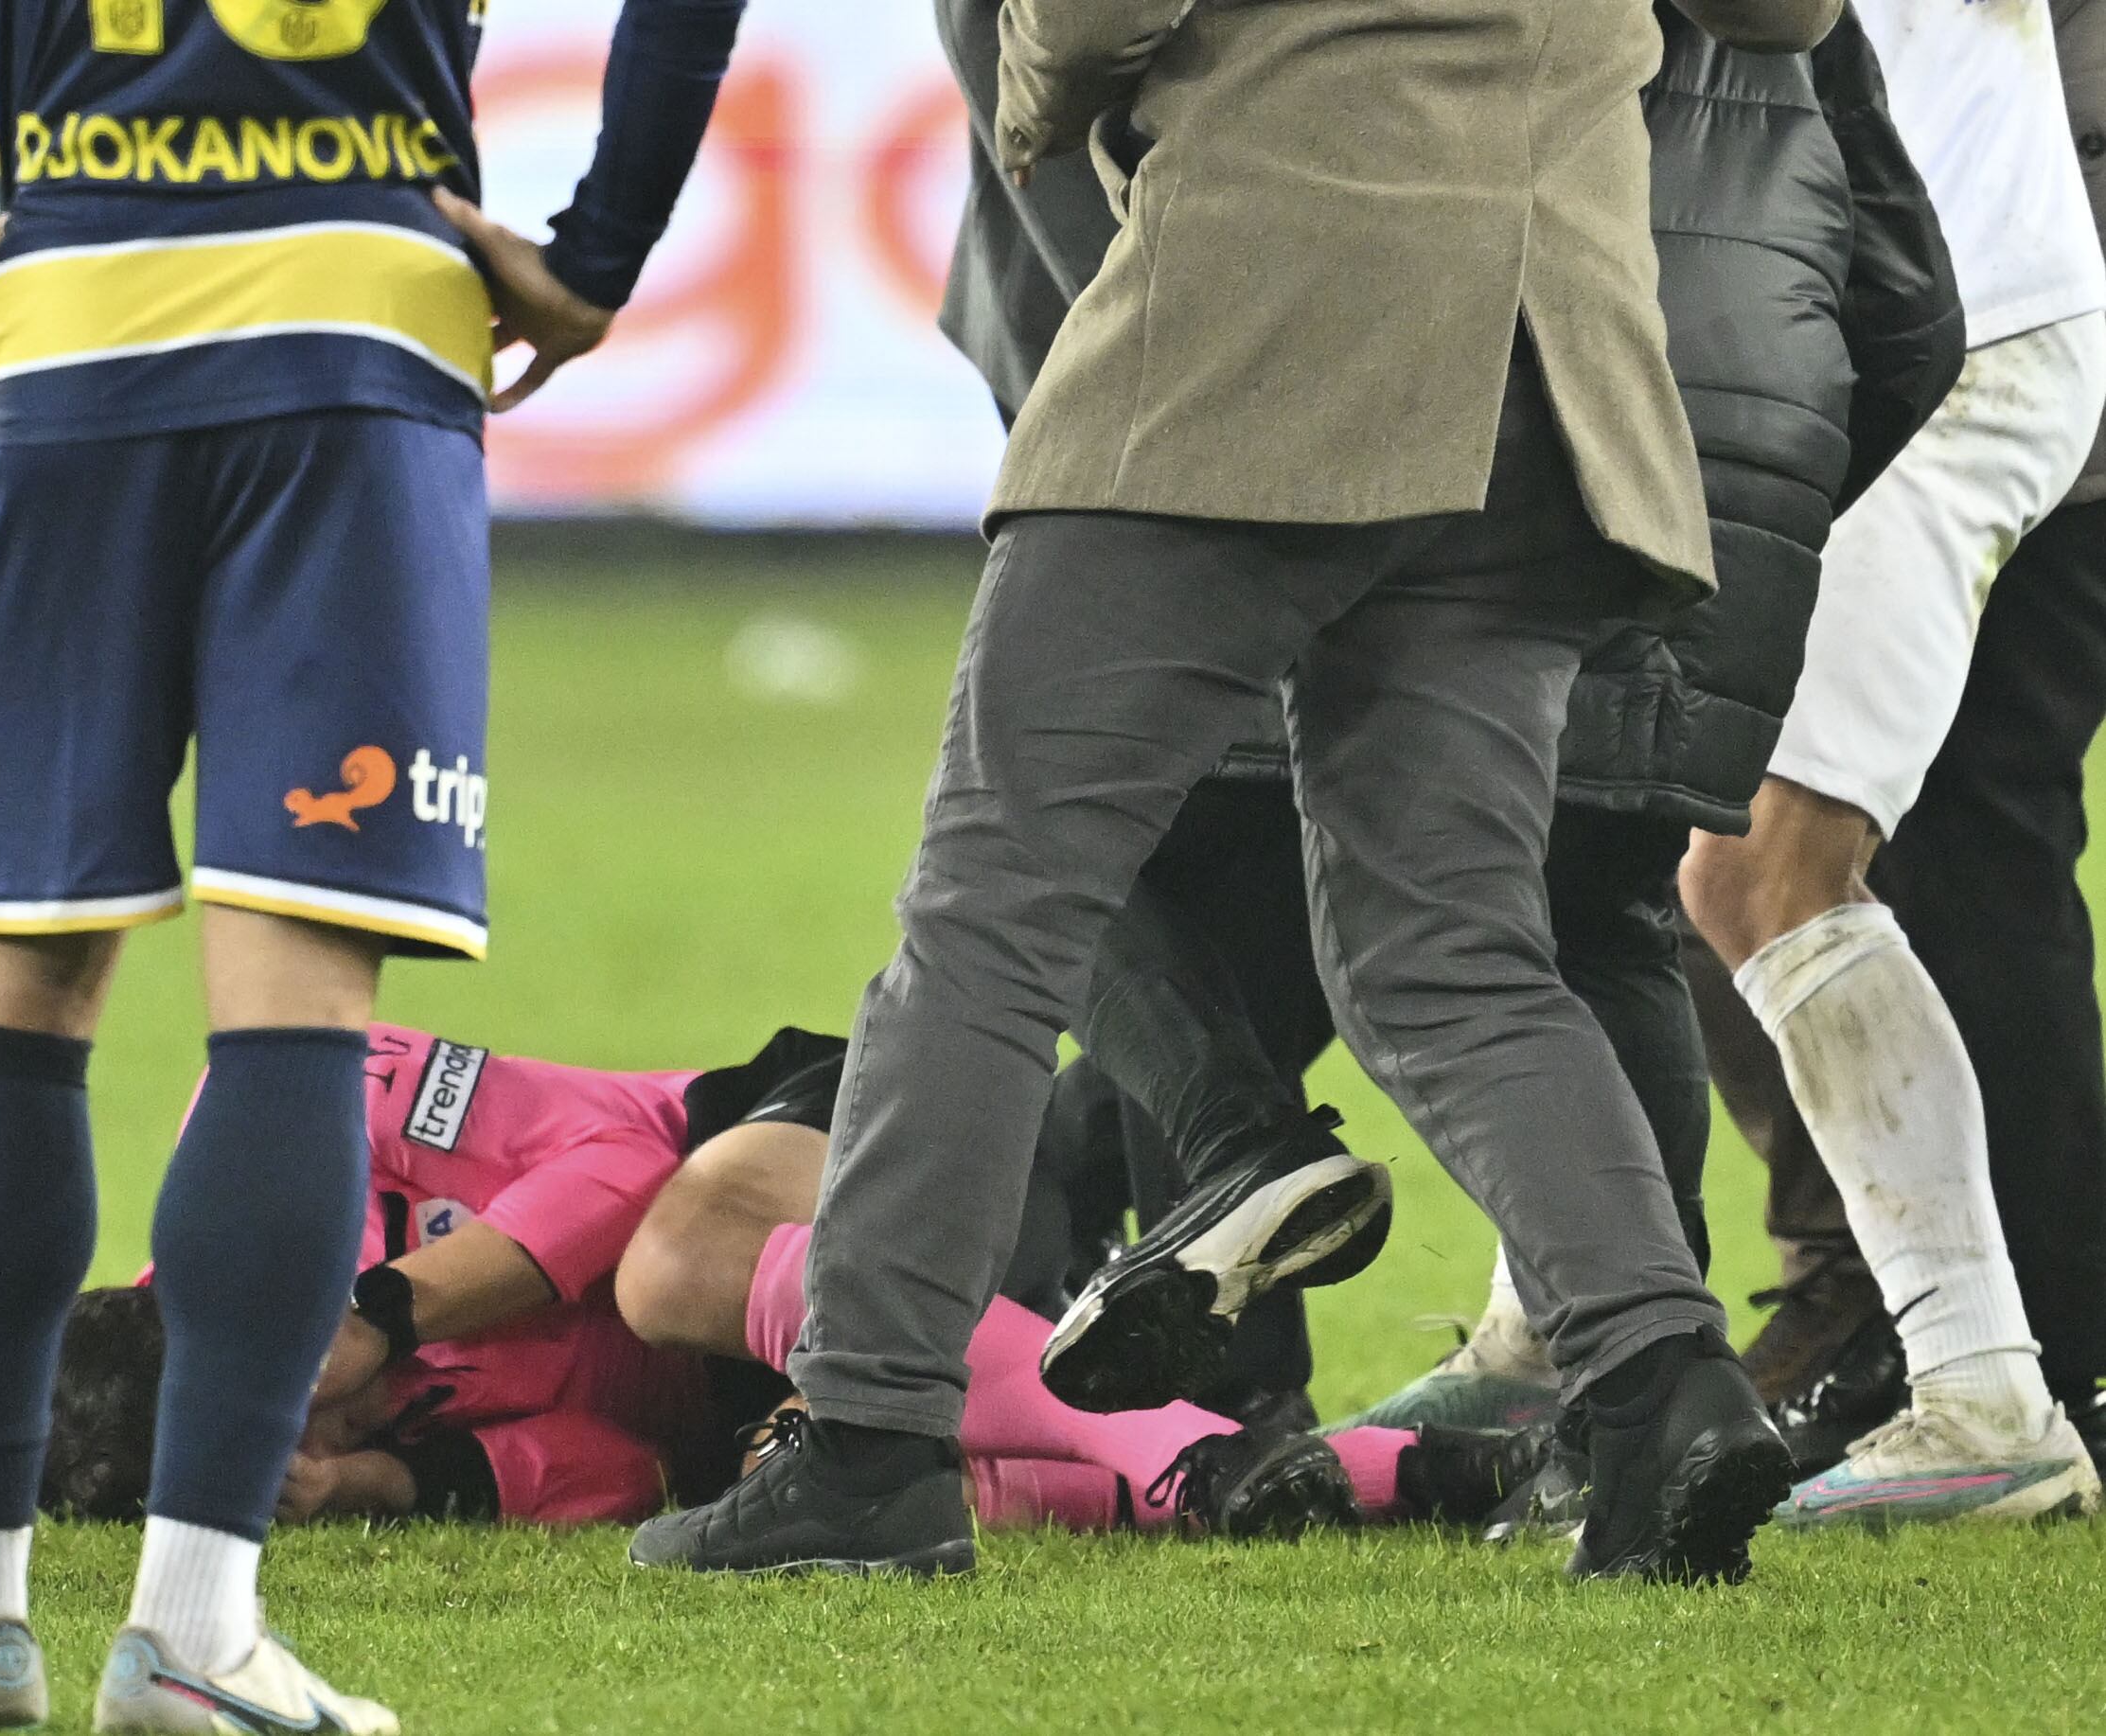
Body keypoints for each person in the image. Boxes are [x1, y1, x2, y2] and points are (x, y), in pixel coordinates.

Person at [633, 0, 1840, 1588]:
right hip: (1560, 365)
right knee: (1451, 951)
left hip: (1265, 316)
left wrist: (1040, 92)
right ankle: (1659, 1382)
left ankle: (864, 1441)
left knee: (996, 910)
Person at [0, 2, 750, 1729]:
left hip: (69, 324)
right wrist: (596, 254)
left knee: (10, 980)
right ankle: (191, 1632)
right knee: (295, 996)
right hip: (350, 335)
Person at [1339, 0, 1963, 1454]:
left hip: (1527, 456)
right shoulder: (1804, 36)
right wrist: (1771, 497)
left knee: (1442, 930)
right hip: (1741, 463)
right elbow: (1909, 306)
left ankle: (1634, 1363)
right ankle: (1619, 1363)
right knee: (1617, 908)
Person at [40, 1025, 1532, 1540]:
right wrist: (391, 1490)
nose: (305, 1453)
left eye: (277, 1432)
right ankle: (1464, 1472)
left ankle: (1182, 1438)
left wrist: (385, 1315)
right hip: (773, 1368)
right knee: (957, 1480)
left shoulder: (270, 1119)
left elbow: (615, 1161)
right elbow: (623, 1470)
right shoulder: (329, 1459)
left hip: (778, 1142)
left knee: (667, 1261)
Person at [1675, 0, 2106, 1528]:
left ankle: (1989, 1388)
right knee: (1672, 833)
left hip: (1957, 324)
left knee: (1766, 864)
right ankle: (1590, 1332)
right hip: (1873, 307)